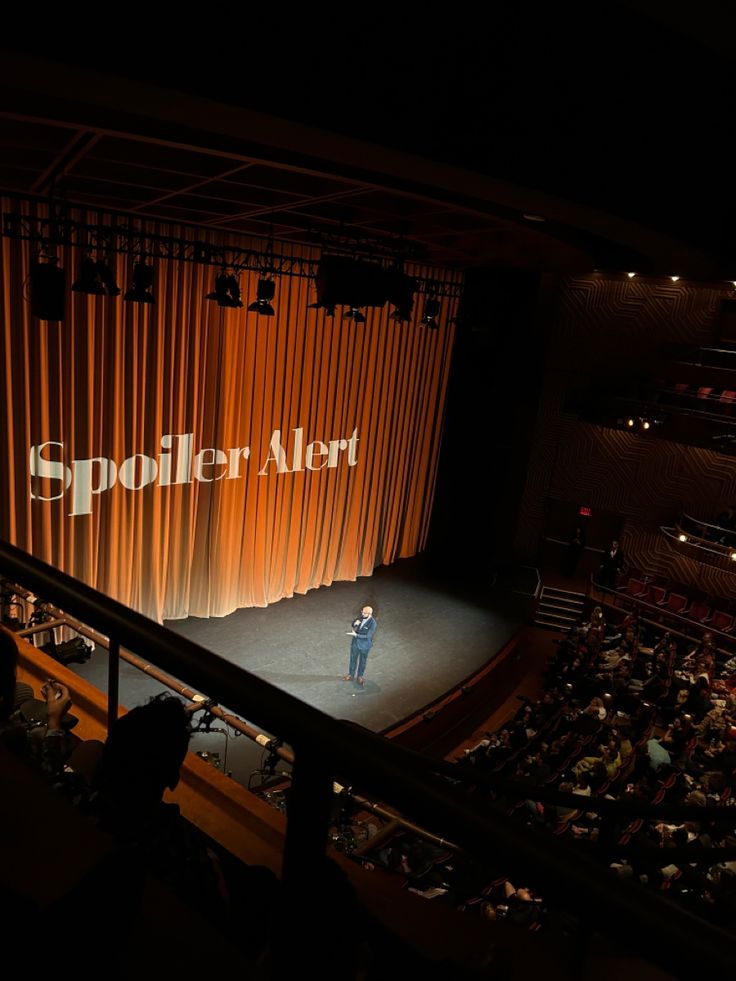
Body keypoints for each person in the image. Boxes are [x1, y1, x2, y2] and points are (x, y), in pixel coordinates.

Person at [344, 605, 377, 686]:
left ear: (369, 614)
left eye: (364, 613)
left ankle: (360, 676)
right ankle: (351, 674)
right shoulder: (361, 617)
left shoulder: (373, 623)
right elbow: (353, 625)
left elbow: (368, 636)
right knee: (353, 659)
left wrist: (356, 635)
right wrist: (355, 623)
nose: (362, 614)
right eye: (362, 612)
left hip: (365, 645)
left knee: (362, 661)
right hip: (355, 643)